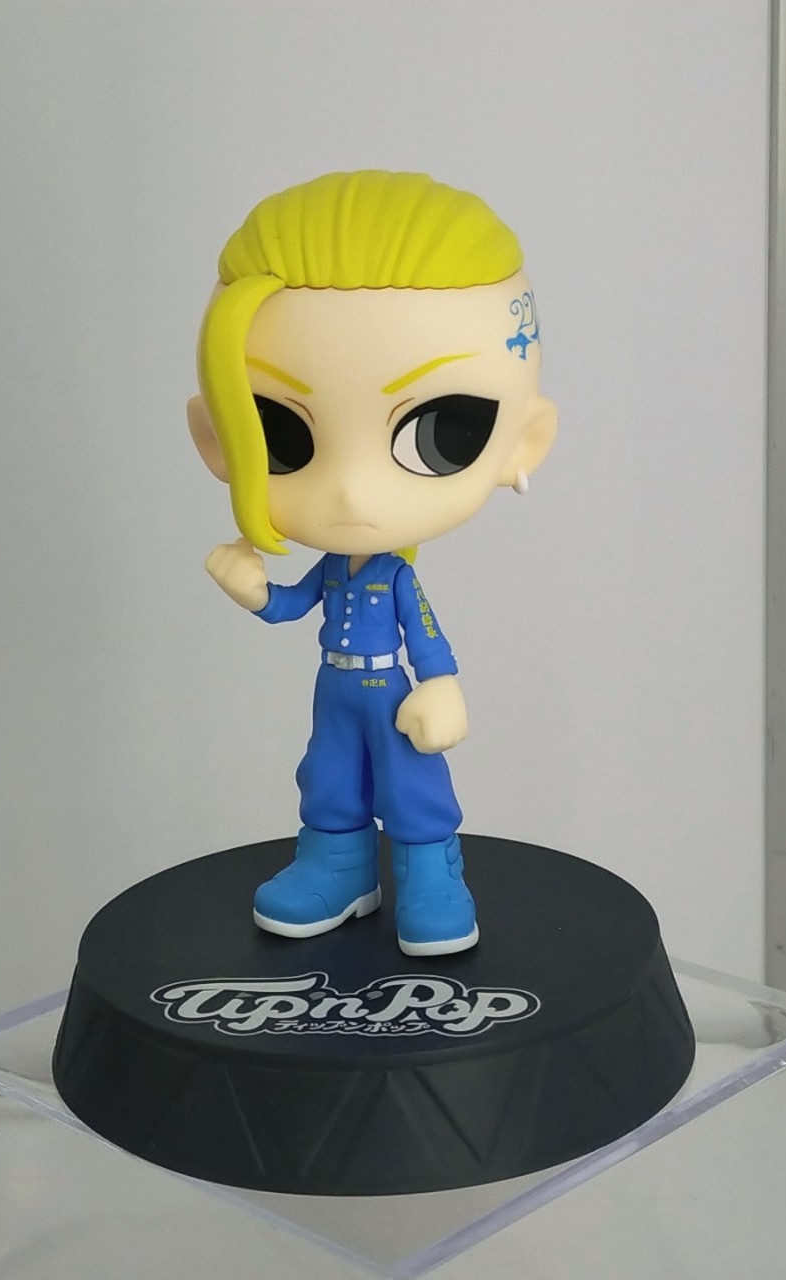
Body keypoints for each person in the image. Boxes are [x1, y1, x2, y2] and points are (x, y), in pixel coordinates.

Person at [188, 171, 557, 955]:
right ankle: (338, 866)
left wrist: (443, 685)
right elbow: (293, 605)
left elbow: (426, 634)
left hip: (391, 688)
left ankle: (431, 874)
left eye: (440, 433)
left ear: (523, 442)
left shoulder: (394, 578)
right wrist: (255, 593)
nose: (352, 490)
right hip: (335, 689)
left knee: (410, 781)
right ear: (214, 438)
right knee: (328, 777)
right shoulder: (334, 570)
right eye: (283, 433)